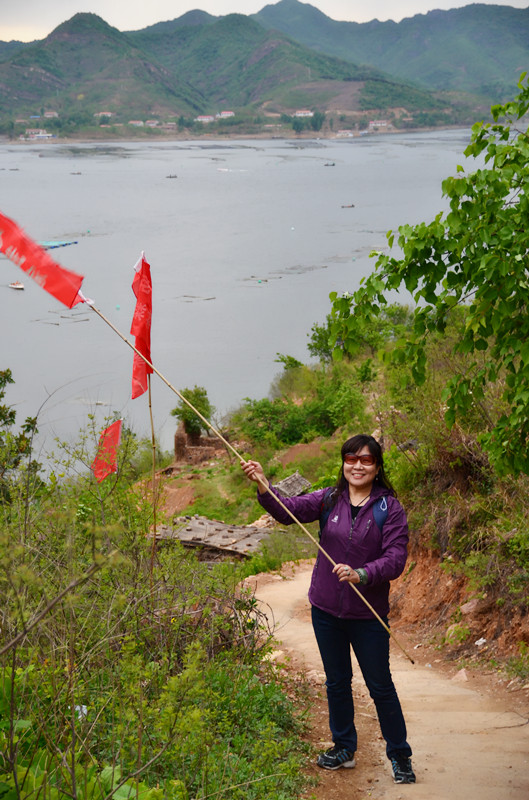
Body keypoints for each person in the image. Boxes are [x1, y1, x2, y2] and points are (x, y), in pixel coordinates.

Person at [240, 433, 416, 785]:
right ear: (343, 463)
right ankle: (343, 748)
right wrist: (263, 485)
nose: (358, 465)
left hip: (367, 615)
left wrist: (363, 573)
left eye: (366, 460)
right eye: (351, 459)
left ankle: (400, 755)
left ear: (377, 467)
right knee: (337, 682)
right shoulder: (329, 499)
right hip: (325, 611)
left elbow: (396, 558)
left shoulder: (388, 509)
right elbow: (287, 511)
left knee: (380, 686)